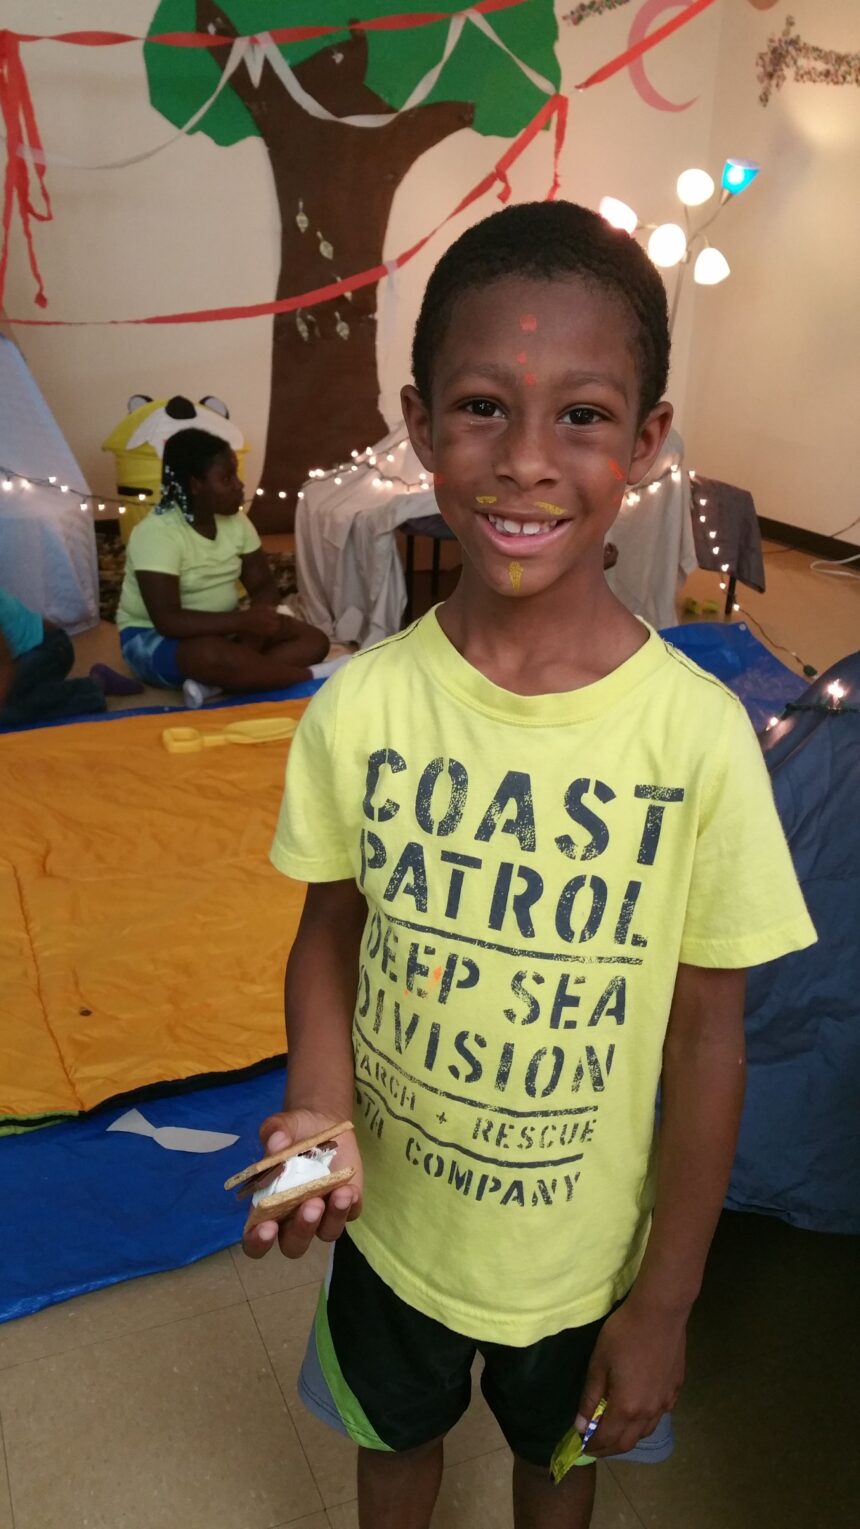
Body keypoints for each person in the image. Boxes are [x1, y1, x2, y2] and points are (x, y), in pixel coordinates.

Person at [247, 202, 816, 1529]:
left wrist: (665, 1298)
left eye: (583, 416)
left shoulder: (698, 740)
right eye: (483, 407)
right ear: (418, 421)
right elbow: (330, 932)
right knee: (391, 1458)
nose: (524, 463)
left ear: (649, 443)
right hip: (391, 1235)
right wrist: (318, 1115)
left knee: (557, 1480)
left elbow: (710, 1038)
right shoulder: (360, 709)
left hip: (584, 1263)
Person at [116, 428, 335, 708]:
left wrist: (252, 635)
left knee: (314, 641)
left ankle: (217, 682)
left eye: (236, 475)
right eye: (226, 478)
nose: (239, 485)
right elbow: (167, 620)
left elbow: (263, 587)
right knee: (209, 655)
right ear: (195, 484)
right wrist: (243, 623)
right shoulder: (157, 533)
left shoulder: (236, 522)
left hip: (223, 627)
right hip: (152, 637)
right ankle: (314, 676)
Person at [0, 587, 141, 729]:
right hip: (21, 656)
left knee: (8, 712)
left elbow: (5, 665)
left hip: (52, 649)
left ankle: (94, 687)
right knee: (14, 701)